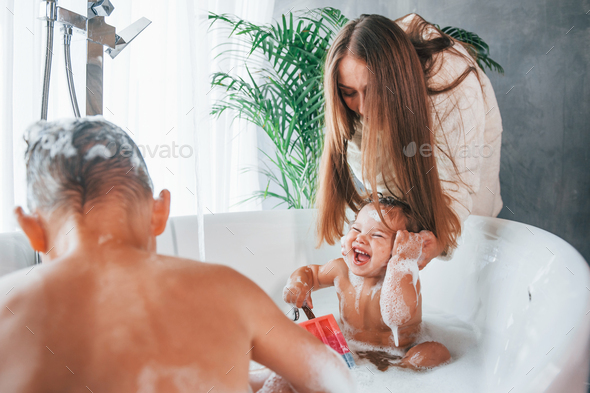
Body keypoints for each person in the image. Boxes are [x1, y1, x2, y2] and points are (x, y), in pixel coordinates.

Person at [0, 117, 355, 393]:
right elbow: (332, 379)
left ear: (31, 228)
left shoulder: (8, 307)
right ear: (159, 212)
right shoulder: (225, 289)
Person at [316, 13, 503, 268]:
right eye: (349, 93)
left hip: (462, 149)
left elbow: (457, 187)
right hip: (408, 131)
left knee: (469, 240)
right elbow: (377, 180)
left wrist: (435, 242)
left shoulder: (453, 86)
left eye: (371, 91)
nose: (363, 107)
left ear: (394, 82)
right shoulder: (359, 80)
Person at [284, 195, 451, 371]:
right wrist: (297, 284)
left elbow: (398, 316)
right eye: (356, 229)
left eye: (377, 235)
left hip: (403, 351)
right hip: (351, 348)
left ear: (400, 248)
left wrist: (403, 261)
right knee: (297, 340)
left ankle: (400, 371)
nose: (361, 239)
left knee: (436, 352)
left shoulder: (405, 276)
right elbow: (312, 273)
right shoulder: (341, 270)